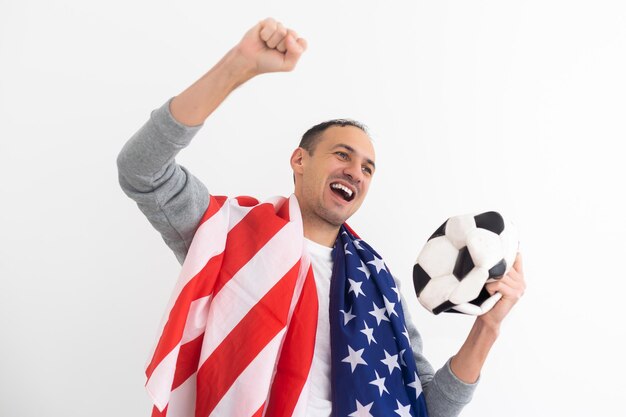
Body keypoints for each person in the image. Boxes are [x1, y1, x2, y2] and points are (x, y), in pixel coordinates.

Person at [117, 17, 525, 417]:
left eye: (367, 168)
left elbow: (426, 409)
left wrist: (487, 326)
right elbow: (142, 170)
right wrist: (236, 68)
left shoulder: (379, 284)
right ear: (299, 160)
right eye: (342, 155)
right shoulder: (227, 234)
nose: (355, 172)